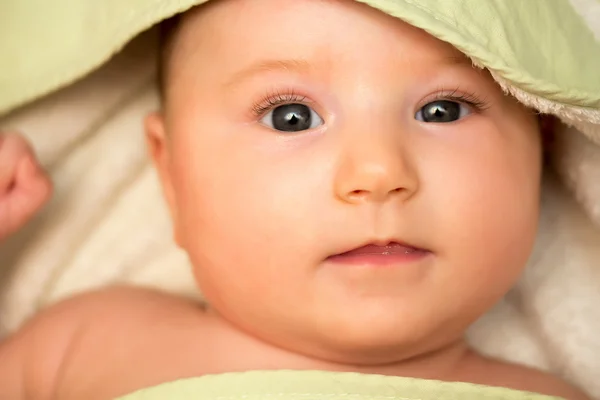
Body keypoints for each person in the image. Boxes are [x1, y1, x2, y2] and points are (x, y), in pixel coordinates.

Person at [0, 0, 591, 399]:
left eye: (443, 110)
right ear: (171, 175)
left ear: (542, 147)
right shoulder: (89, 342)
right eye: (291, 117)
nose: (379, 172)